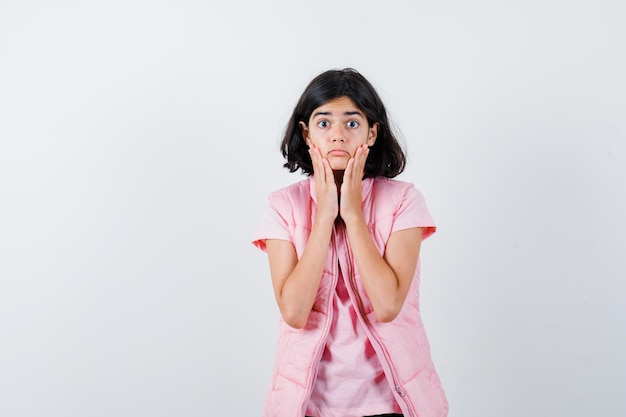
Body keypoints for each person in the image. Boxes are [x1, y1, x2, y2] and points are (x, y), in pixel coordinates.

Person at [252, 68, 448, 417]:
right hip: (307, 407)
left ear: (372, 132)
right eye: (324, 123)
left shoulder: (404, 201)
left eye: (352, 123)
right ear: (306, 132)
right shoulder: (283, 206)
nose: (338, 135)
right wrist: (324, 216)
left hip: (393, 404)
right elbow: (295, 313)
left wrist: (354, 214)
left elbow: (387, 305)